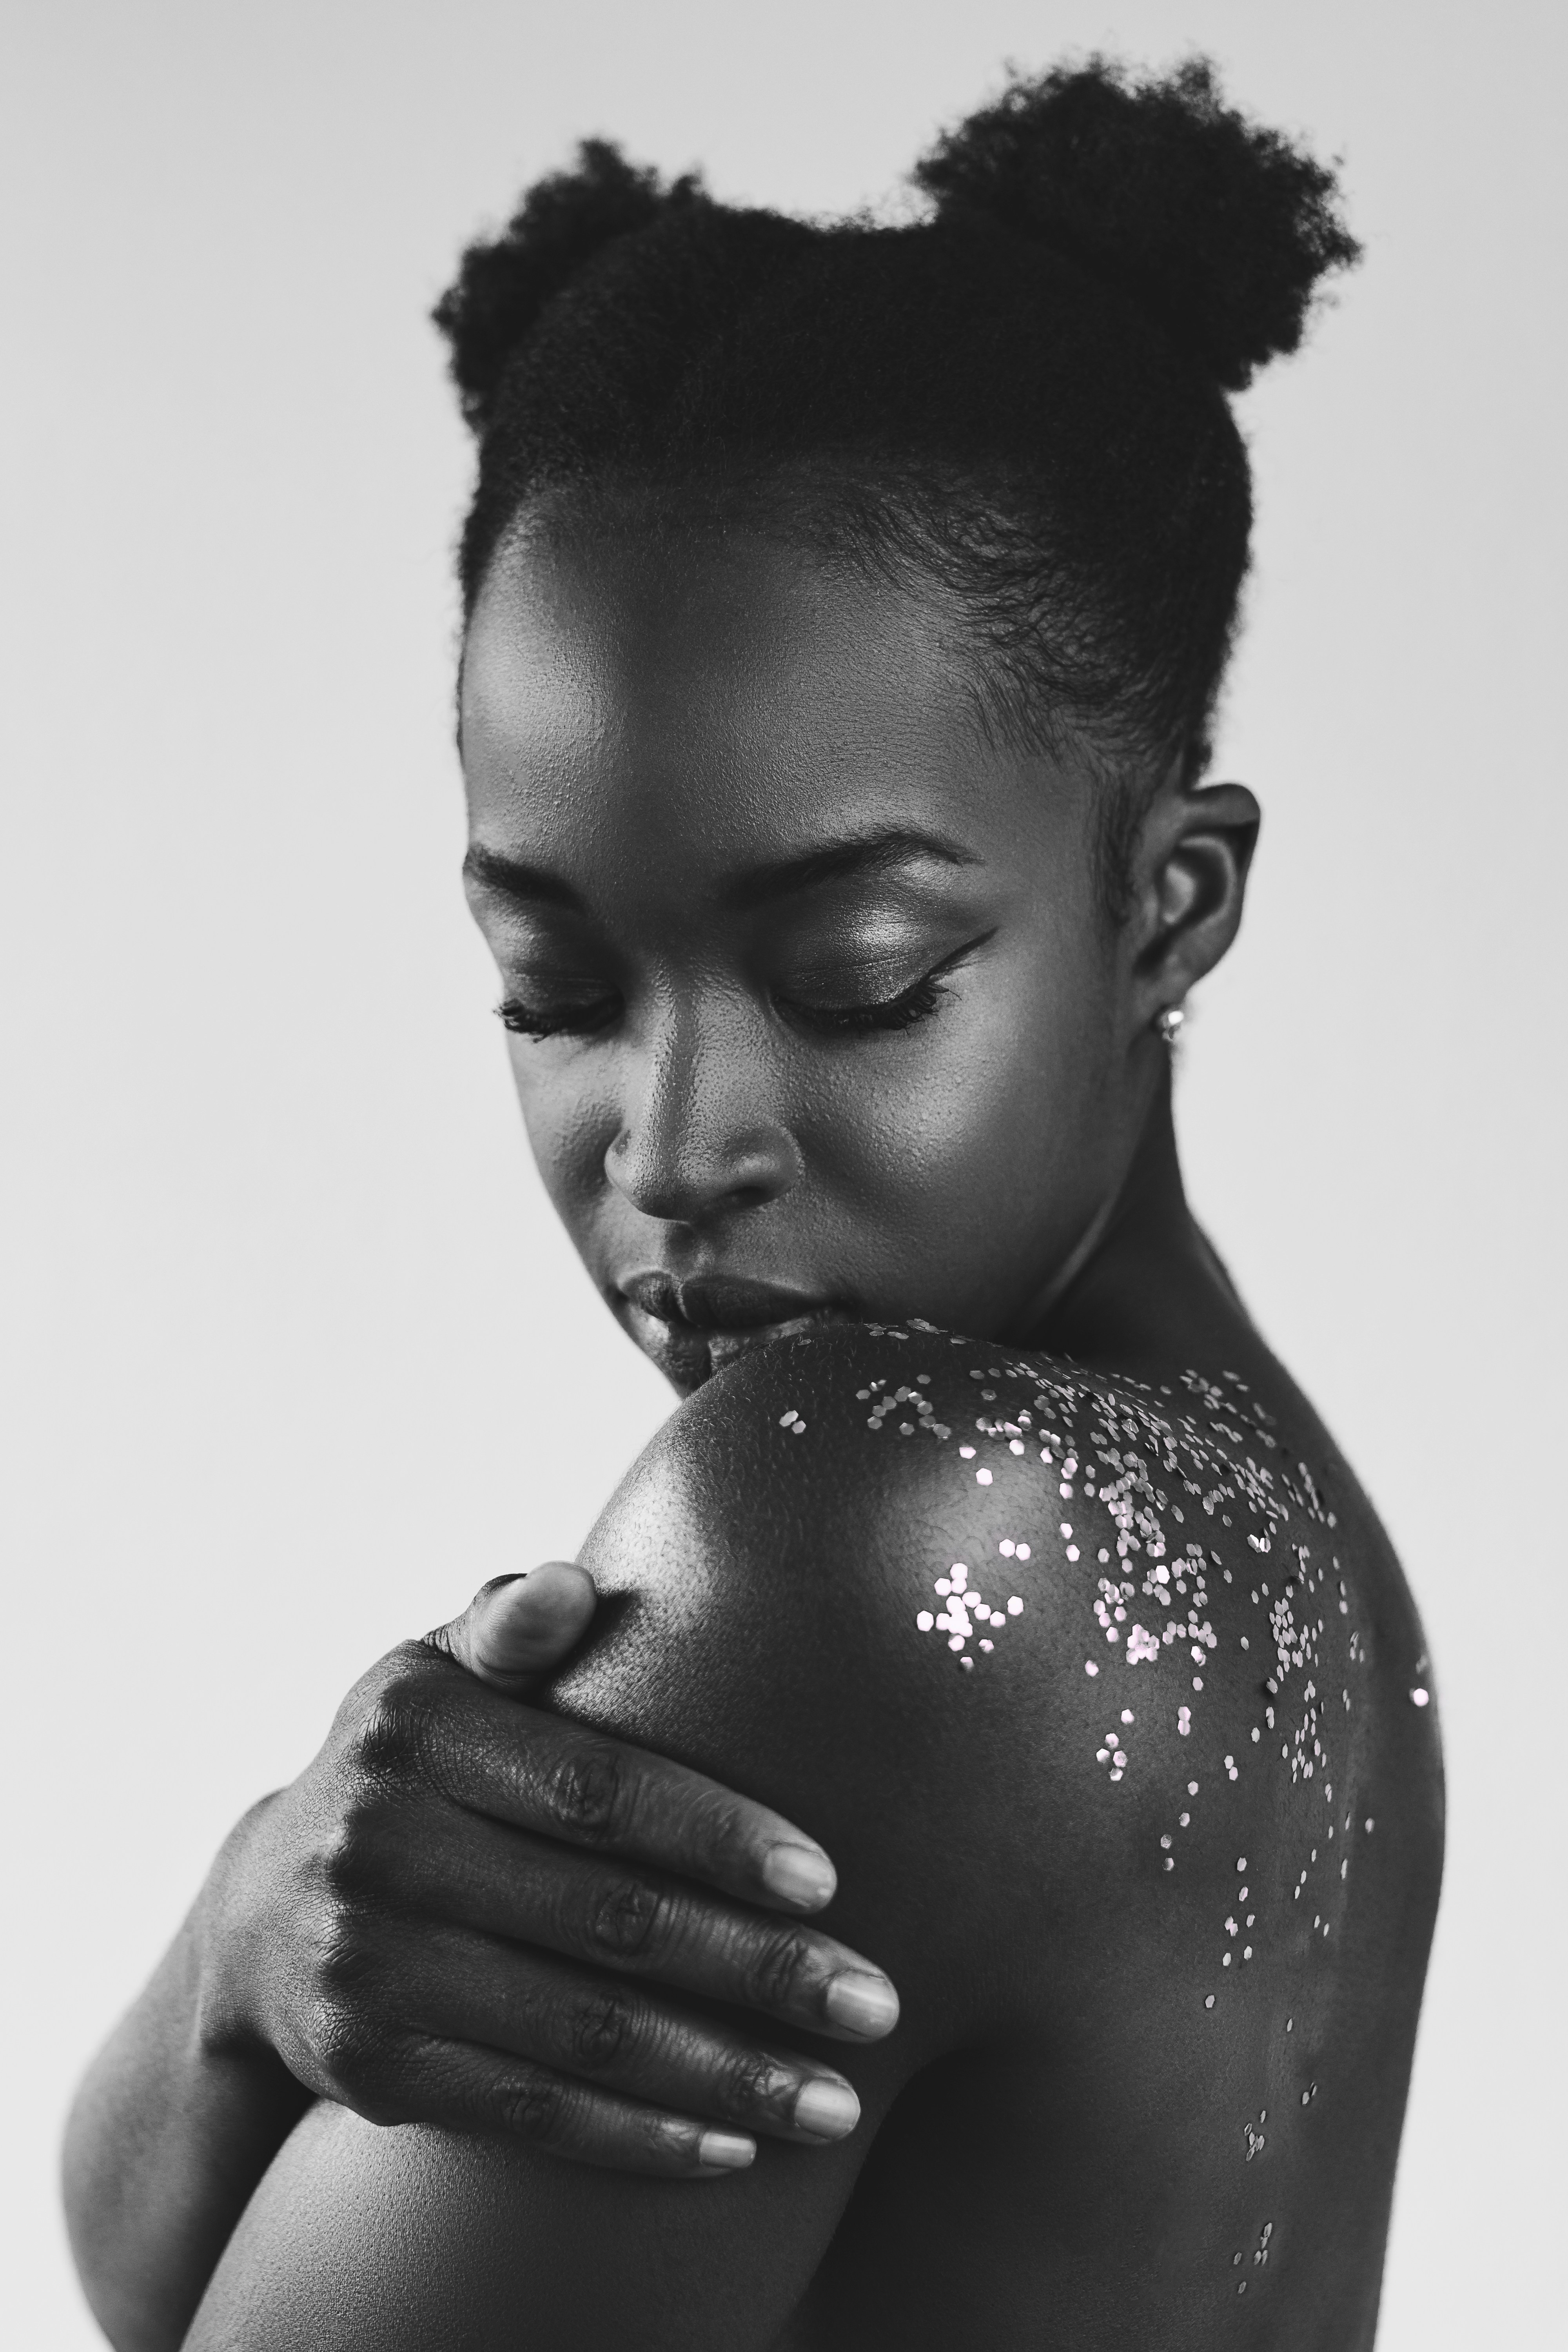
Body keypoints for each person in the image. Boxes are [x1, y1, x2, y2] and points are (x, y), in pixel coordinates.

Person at [63, 55, 1443, 2351]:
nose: (674, 1145)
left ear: (1171, 908)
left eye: (857, 981)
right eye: (557, 984)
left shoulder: (873, 1538)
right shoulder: (1301, 1550)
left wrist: (230, 1986)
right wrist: (247, 1935)